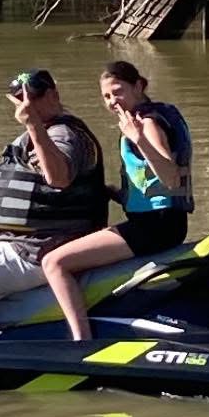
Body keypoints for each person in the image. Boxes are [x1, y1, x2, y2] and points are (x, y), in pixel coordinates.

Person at [0, 68, 107, 343]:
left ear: (53, 94)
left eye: (34, 96)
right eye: (19, 97)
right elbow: (30, 181)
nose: (27, 104)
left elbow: (59, 178)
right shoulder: (46, 134)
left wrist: (32, 125)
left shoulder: (64, 135)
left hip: (41, 247)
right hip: (24, 242)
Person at [41, 60, 194, 341]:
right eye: (106, 96)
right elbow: (149, 185)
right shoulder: (158, 114)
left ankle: (81, 342)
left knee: (55, 262)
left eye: (118, 91)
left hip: (155, 228)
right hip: (161, 222)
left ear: (139, 86)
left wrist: (139, 138)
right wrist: (110, 191)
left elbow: (170, 177)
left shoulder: (146, 123)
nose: (113, 101)